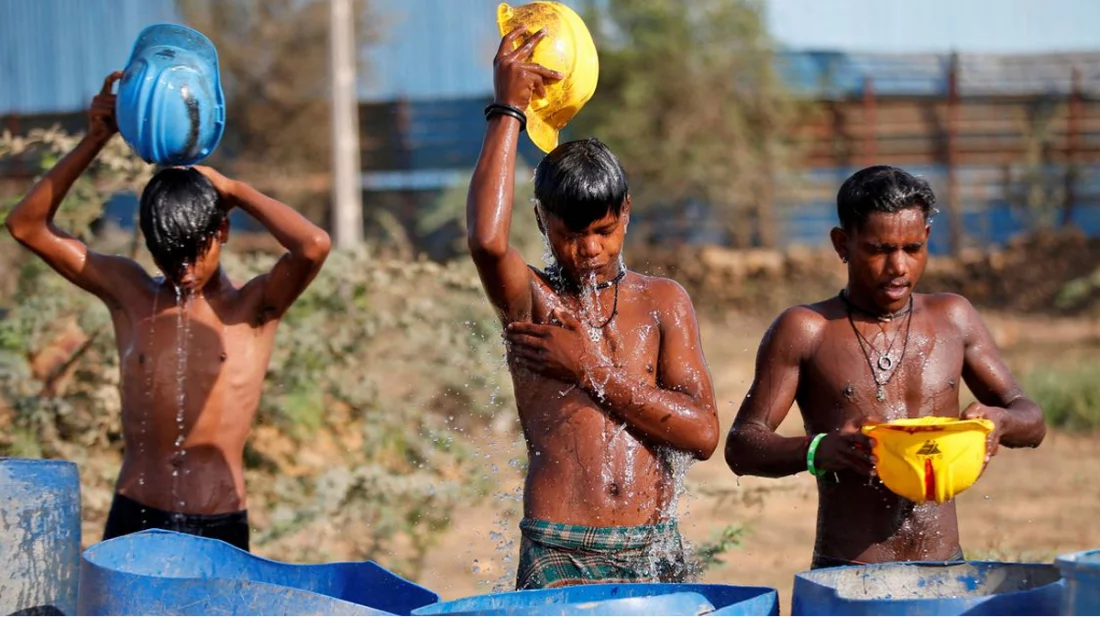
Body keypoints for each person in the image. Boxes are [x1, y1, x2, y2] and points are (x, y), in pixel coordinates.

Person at [4, 73, 332, 551]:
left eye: (192, 253)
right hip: (135, 514)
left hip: (219, 524)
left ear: (222, 231)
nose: (180, 271)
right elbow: (26, 226)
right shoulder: (128, 293)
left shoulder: (256, 307)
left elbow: (313, 245)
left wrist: (236, 190)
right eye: (165, 256)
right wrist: (95, 138)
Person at [467, 28, 720, 590]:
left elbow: (703, 434)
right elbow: (486, 241)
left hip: (652, 543)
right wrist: (507, 109)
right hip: (560, 545)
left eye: (603, 231)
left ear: (626, 213)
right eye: (570, 235)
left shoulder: (662, 302)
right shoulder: (534, 301)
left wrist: (590, 368)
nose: (589, 250)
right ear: (541, 223)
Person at [723, 165, 1046, 569]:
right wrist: (819, 449)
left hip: (945, 568)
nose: (898, 267)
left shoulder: (954, 318)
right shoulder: (807, 329)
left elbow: (1030, 419)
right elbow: (742, 445)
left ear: (927, 238)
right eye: (879, 250)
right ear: (842, 244)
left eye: (912, 249)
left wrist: (1000, 421)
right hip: (849, 572)